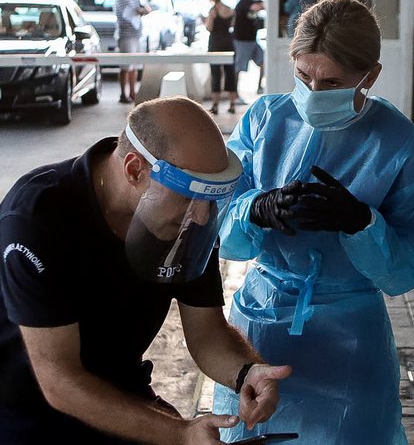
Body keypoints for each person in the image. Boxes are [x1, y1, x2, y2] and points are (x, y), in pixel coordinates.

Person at [211, 0, 414, 444]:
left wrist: (362, 224)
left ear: (370, 76)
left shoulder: (400, 145)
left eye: (331, 83)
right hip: (259, 323)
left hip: (348, 336)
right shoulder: (265, 119)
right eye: (303, 76)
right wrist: (255, 209)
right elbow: (215, 218)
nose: (313, 92)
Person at [0, 96, 292, 444]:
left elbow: (207, 332)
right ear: (135, 170)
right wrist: (180, 433)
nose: (201, 217)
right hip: (27, 410)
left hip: (123, 388)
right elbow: (59, 380)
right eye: (189, 197)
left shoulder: (190, 221)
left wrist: (245, 372)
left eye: (210, 199)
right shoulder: (38, 218)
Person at [114, 0, 151, 104]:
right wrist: (137, 11)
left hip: (136, 35)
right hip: (126, 36)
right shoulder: (120, 0)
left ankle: (132, 92)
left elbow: (146, 10)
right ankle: (123, 94)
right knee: (126, 66)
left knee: (134, 67)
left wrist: (141, 8)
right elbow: (125, 15)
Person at [205, 0, 238, 115]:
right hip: (228, 42)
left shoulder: (213, 10)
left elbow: (209, 27)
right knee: (230, 73)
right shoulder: (230, 10)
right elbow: (232, 24)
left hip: (215, 44)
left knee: (216, 74)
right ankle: (232, 104)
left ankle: (215, 105)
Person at [234, 0, 266, 96]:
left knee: (263, 62)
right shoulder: (244, 1)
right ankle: (235, 93)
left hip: (252, 40)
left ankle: (259, 87)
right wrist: (262, 6)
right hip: (242, 41)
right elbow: (255, 7)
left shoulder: (255, 1)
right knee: (239, 67)